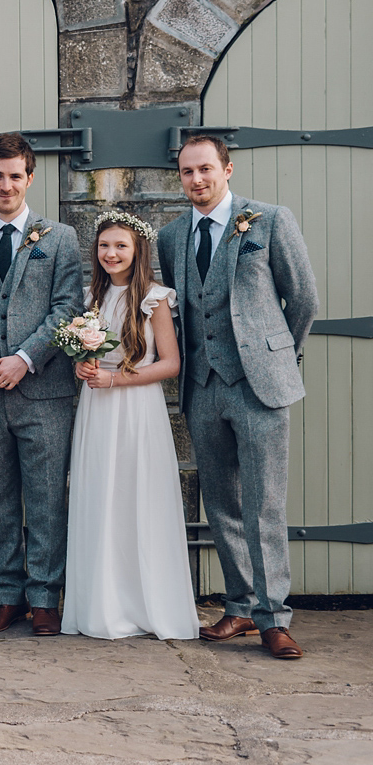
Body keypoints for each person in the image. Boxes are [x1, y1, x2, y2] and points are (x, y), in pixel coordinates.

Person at [158, 136, 318, 659]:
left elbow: (304, 298)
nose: (197, 180)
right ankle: (241, 608)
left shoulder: (269, 219)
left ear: (227, 169)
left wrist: (275, 354)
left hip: (259, 385)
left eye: (205, 169)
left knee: (264, 504)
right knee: (223, 503)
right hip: (202, 387)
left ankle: (275, 618)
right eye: (187, 172)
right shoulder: (172, 235)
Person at [0, 133, 83, 636]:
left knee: (48, 495)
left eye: (15, 176)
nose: (5, 185)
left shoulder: (60, 238)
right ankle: (7, 594)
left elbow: (68, 307)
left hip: (44, 390)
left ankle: (45, 596)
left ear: (30, 178)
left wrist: (24, 358)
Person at [61, 211, 199, 641]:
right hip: (97, 409)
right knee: (101, 498)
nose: (111, 253)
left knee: (137, 498)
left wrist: (115, 378)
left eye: (120, 245)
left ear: (137, 250)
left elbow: (171, 364)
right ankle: (103, 603)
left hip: (137, 407)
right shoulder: (89, 299)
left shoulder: (154, 298)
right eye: (104, 245)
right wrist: (83, 366)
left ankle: (146, 602)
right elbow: (84, 355)